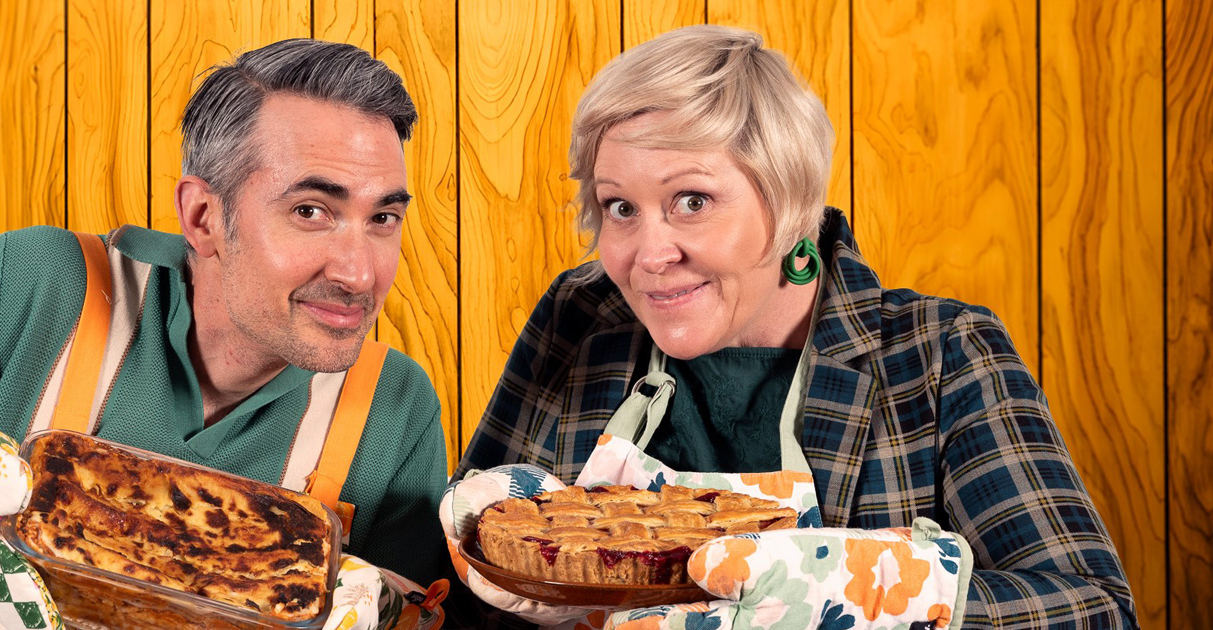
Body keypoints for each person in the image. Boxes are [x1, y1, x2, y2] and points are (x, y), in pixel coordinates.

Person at [445, 25, 1135, 629]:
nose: (647, 256)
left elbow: (1094, 609)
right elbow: (466, 600)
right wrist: (465, 560)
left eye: (691, 200)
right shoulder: (583, 317)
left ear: (791, 200)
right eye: (620, 207)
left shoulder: (940, 356)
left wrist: (876, 597)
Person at [0, 39, 449, 630]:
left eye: (383, 218)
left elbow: (423, 612)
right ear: (204, 216)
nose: (361, 273)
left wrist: (386, 614)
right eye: (312, 210)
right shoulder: (36, 287)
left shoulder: (393, 406)